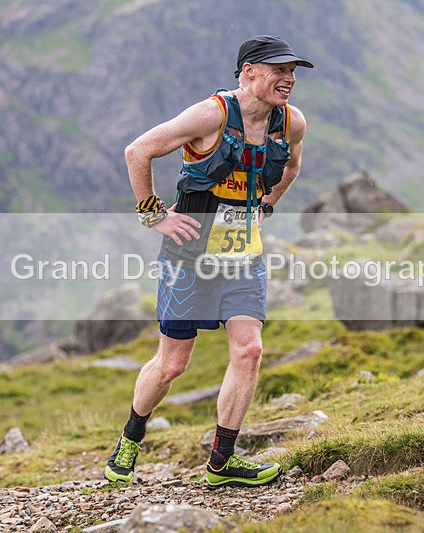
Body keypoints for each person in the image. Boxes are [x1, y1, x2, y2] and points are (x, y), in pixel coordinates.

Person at [105, 35, 312, 489]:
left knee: (250, 350)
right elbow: (137, 150)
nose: (289, 79)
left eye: (293, 70)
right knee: (172, 365)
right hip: (190, 259)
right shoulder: (211, 115)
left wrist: (267, 204)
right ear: (248, 71)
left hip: (243, 258)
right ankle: (131, 435)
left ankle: (222, 462)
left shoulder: (291, 122)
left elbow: (292, 166)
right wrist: (153, 215)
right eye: (279, 70)